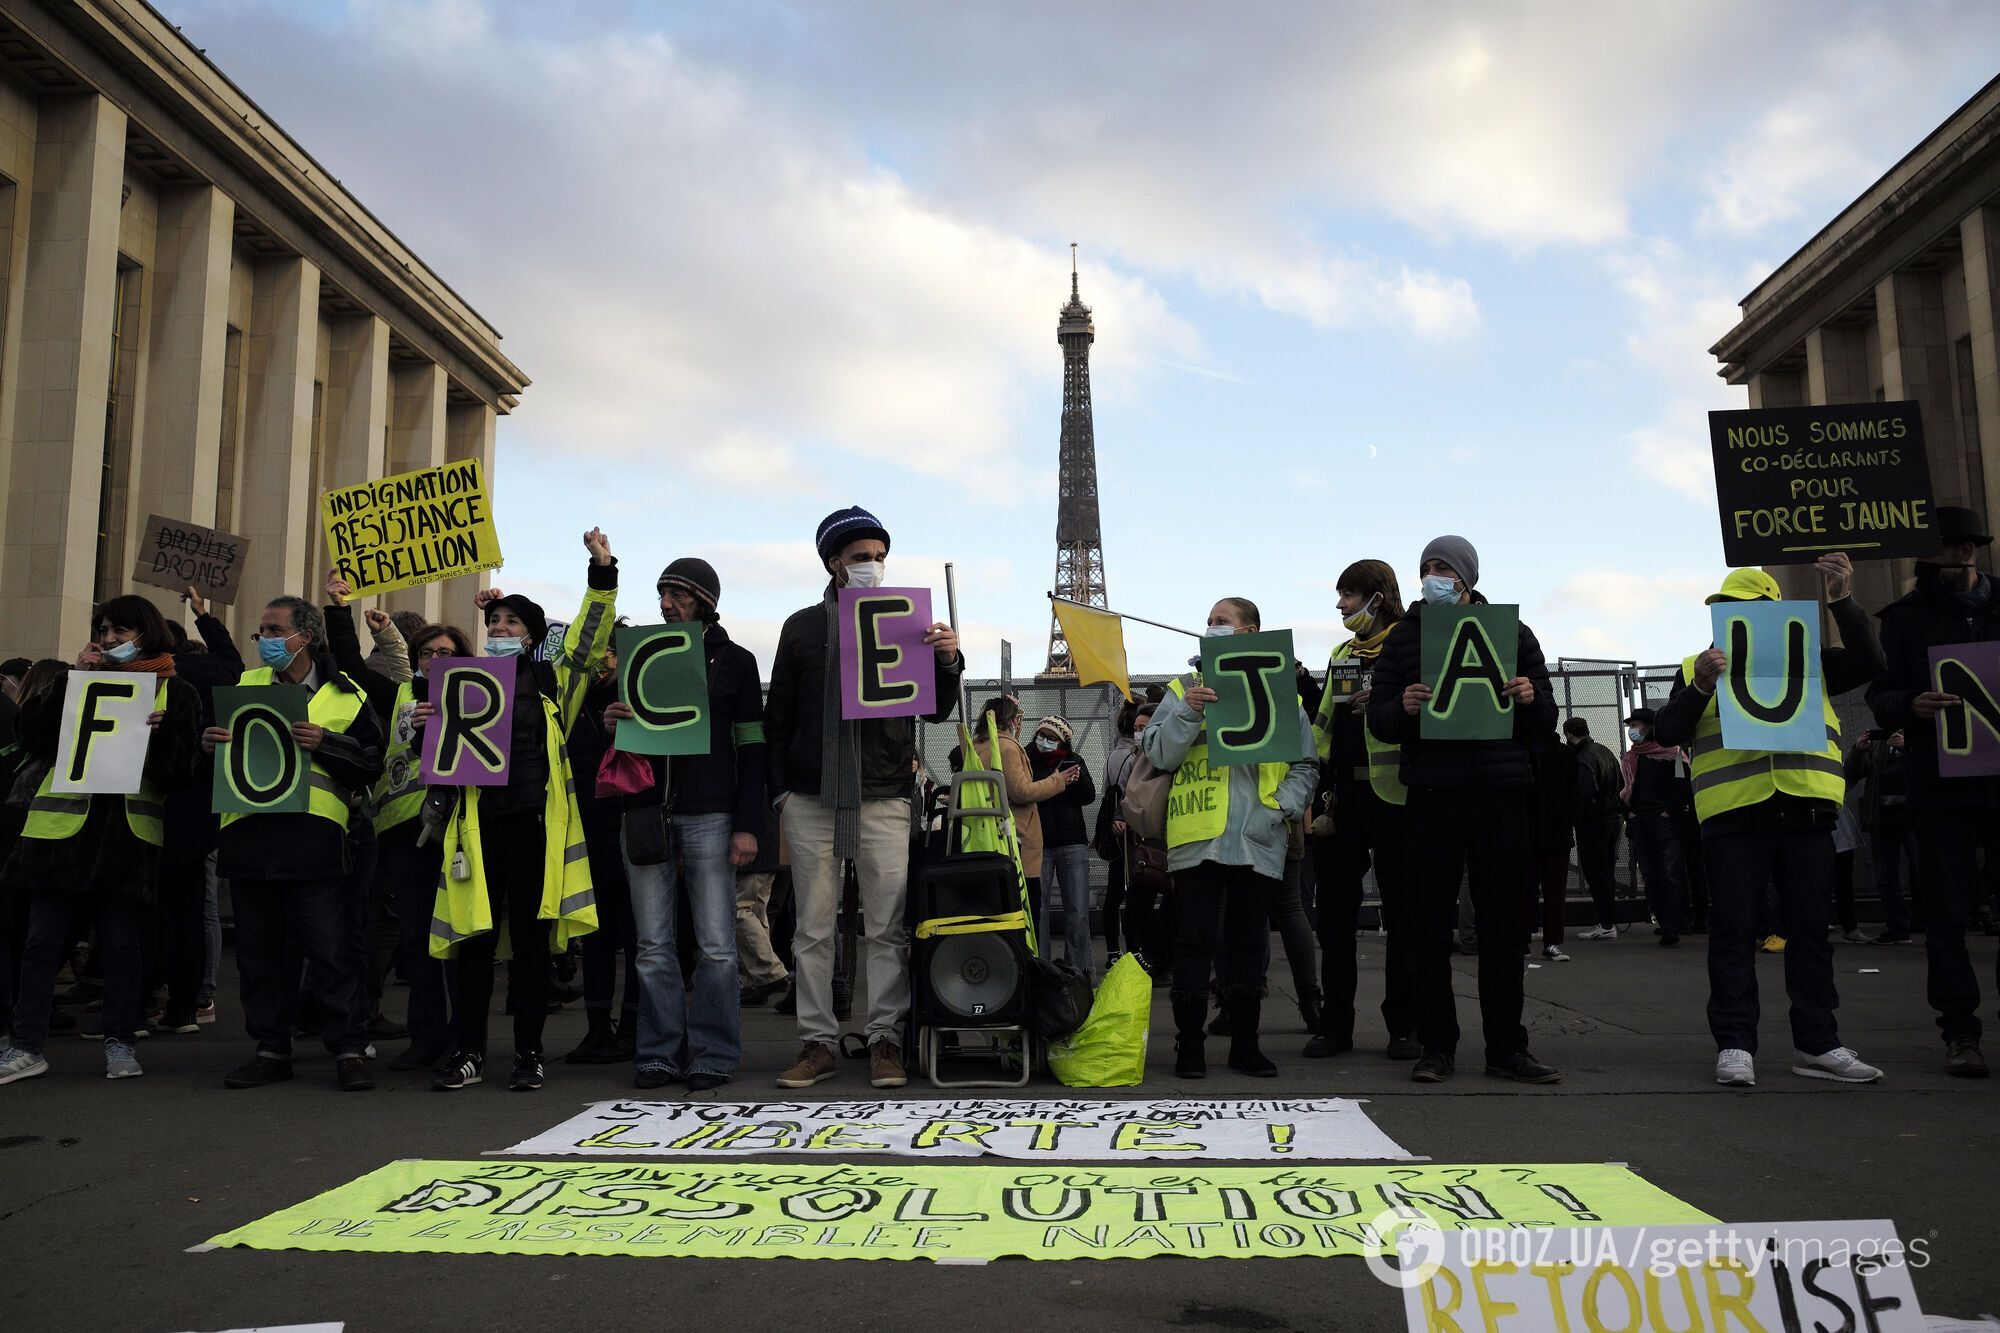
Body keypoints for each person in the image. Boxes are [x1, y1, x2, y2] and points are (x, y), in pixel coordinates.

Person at [1652, 554, 1885, 1088]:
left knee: (1809, 932)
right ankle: (1735, 1044)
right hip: (1735, 814)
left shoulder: (1812, 660)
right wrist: (1701, 686)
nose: (1739, 617)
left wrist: (1842, 600)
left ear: (1777, 615)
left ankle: (1818, 1044)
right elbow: (1665, 729)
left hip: (1804, 808)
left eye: (1750, 608)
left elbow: (1871, 661)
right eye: (1729, 609)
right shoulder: (1696, 666)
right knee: (1732, 933)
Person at [765, 507, 963, 1091]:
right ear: (833, 563)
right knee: (813, 929)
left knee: (886, 927)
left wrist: (947, 660)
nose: (872, 567)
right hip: (811, 794)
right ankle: (817, 1043)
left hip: (882, 793)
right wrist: (780, 792)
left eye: (879, 557)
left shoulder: (906, 623)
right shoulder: (800, 627)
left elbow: (936, 709)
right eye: (860, 559)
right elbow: (778, 717)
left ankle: (885, 1040)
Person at [420, 529, 617, 1092]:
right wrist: (419, 729)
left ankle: (528, 1052)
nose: (499, 630)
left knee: (531, 947)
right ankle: (468, 1052)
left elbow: (586, 637)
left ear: (532, 637)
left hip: (534, 825)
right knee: (474, 943)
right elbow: (438, 754)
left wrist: (602, 571)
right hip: (477, 828)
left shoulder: (555, 681)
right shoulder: (460, 684)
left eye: (511, 624)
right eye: (494, 624)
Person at [1367, 536, 1563, 1085]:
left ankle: (1507, 1047)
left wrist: (1530, 698)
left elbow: (1544, 719)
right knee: (1428, 925)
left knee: (1504, 926)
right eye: (1427, 568)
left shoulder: (1513, 633)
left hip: (1501, 797)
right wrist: (1402, 708)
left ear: (1467, 578)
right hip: (1433, 795)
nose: (1434, 577)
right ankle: (1438, 1047)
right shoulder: (1406, 637)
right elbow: (1378, 719)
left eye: (1444, 569)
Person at [0, 599, 201, 1085]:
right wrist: (69, 679)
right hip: (62, 833)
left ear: (146, 633)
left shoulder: (178, 692)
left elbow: (181, 774)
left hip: (127, 837)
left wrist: (162, 735)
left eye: (120, 630)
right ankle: (26, 1044)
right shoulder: (76, 679)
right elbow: (31, 737)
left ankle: (120, 1041)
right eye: (104, 630)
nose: (109, 639)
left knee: (122, 945)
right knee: (41, 943)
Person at [202, 593, 384, 1091]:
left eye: (276, 631)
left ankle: (347, 1048)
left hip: (315, 842)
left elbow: (373, 762)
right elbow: (218, 760)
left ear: (307, 635)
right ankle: (270, 1049)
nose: (266, 641)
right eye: (262, 632)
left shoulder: (347, 694)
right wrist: (208, 744)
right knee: (260, 956)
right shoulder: (243, 685)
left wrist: (327, 742)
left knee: (330, 951)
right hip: (250, 838)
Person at [603, 557, 767, 1092]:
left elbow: (752, 748)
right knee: (651, 943)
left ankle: (714, 1051)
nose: (667, 603)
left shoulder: (737, 663)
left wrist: (748, 824)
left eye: (679, 594)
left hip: (712, 814)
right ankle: (658, 1051)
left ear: (705, 601)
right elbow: (623, 736)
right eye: (662, 594)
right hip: (647, 810)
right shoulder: (639, 657)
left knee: (717, 943)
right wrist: (610, 722)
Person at [1141, 596, 1317, 1079]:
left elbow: (1305, 764)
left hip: (1257, 836)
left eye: (1222, 621)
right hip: (1198, 834)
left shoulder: (1285, 695)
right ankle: (1189, 1047)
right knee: (1194, 942)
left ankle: (1246, 1045)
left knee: (1247, 944)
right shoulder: (1184, 688)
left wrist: (1278, 809)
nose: (1211, 627)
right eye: (1208, 622)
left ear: (1249, 632)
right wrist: (1188, 714)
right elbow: (1157, 752)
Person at [1867, 506, 2000, 1077]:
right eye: (1951, 545)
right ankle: (1960, 1033)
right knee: (1945, 916)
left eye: (1970, 544)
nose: (1963, 553)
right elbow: (1881, 693)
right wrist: (1909, 706)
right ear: (1927, 553)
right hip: (1940, 785)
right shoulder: (1903, 619)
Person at [321, 577, 469, 1072]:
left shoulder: (480, 695)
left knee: (460, 936)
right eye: (428, 653)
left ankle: (464, 1040)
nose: (435, 660)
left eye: (446, 652)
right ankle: (426, 1038)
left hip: (460, 831)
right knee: (417, 939)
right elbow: (349, 665)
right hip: (406, 833)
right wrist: (340, 610)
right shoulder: (398, 693)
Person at [1308, 560, 1419, 1059]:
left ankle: (1404, 1025)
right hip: (1344, 799)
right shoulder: (1341, 654)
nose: (1340, 607)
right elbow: (1323, 724)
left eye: (1348, 596)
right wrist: (1308, 781)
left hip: (1398, 799)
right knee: (1334, 918)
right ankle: (1336, 1026)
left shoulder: (1409, 647)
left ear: (1377, 596)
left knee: (1404, 914)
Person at [152, 588, 244, 1034]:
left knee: (167, 910)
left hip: (169, 807)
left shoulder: (170, 676)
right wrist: (203, 613)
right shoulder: (212, 671)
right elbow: (231, 660)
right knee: (194, 908)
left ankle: (163, 999)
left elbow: (229, 662)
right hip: (200, 807)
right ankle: (189, 1001)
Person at [564, 622, 641, 1067]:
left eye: (608, 653)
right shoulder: (572, 702)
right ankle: (596, 1027)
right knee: (592, 933)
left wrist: (619, 729)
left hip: (629, 826)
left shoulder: (636, 699)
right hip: (585, 828)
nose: (600, 662)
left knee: (635, 934)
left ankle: (632, 1027)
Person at [972, 696, 1072, 954]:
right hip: (1018, 843)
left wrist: (1014, 711)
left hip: (989, 839)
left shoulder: (979, 746)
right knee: (1027, 914)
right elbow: (1021, 792)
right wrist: (1057, 781)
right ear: (1013, 721)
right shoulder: (1008, 749)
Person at [1027, 714, 1097, 978]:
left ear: (1064, 740)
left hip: (1072, 842)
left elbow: (1088, 797)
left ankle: (1080, 971)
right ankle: (1040, 968)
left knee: (1077, 910)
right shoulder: (1026, 758)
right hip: (1038, 842)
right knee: (1038, 910)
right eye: (1043, 735)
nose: (1045, 741)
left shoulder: (1074, 760)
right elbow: (1025, 792)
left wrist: (1074, 781)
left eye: (1052, 738)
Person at [1621, 707, 1691, 947]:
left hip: (1664, 821)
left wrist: (1668, 811)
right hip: (1641, 820)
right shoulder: (1631, 758)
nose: (1632, 730)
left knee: (1670, 873)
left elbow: (1684, 787)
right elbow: (1624, 791)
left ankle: (1673, 924)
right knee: (1651, 876)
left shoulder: (1672, 753)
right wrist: (1629, 814)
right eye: (1631, 726)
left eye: (1636, 725)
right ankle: (1665, 922)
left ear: (1649, 727)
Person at [1846, 729, 1918, 944]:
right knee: (1886, 877)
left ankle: (1928, 924)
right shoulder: (1879, 743)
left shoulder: (1919, 738)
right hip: (1883, 819)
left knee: (1923, 872)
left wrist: (1908, 748)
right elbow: (1852, 774)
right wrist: (1858, 751)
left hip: (1913, 818)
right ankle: (1898, 928)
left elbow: (1930, 767)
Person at [1567, 717, 1624, 939]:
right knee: (1607, 870)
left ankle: (1606, 923)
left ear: (1569, 734)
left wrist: (1575, 818)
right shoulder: (1604, 752)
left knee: (1595, 872)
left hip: (1593, 824)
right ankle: (1608, 920)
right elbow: (1619, 783)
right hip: (1613, 819)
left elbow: (1585, 794)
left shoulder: (1584, 759)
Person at [1524, 725, 1575, 963]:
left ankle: (1523, 939)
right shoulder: (1564, 754)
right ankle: (1552, 942)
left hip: (1528, 833)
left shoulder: (1522, 751)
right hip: (1556, 834)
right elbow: (1575, 795)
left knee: (1524, 889)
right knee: (1555, 892)